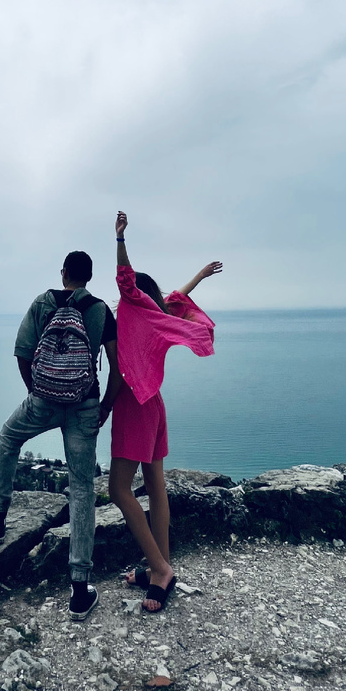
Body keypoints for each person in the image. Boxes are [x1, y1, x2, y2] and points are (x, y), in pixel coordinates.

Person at [0, 249, 118, 620]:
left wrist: (37, 391)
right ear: (89, 277)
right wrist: (105, 407)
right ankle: (79, 589)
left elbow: (22, 353)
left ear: (64, 274)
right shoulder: (100, 310)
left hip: (42, 401)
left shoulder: (43, 303)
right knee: (82, 487)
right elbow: (118, 366)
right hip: (85, 404)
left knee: (8, 439)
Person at [99, 211, 221, 613]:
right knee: (154, 485)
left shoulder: (132, 311)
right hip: (154, 405)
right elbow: (174, 298)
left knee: (119, 490)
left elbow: (125, 279)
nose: (124, 294)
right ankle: (159, 568)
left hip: (135, 407)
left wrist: (120, 238)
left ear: (136, 294)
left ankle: (160, 570)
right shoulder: (156, 314)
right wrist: (199, 276)